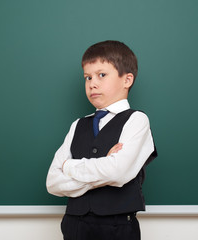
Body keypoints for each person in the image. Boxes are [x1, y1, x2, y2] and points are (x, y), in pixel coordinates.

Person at [46, 40, 157, 240]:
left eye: (101, 75)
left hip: (117, 227)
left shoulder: (137, 120)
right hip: (74, 225)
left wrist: (69, 166)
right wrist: (103, 171)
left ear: (127, 80)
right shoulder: (78, 125)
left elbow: (118, 172)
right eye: (87, 77)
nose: (92, 83)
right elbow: (52, 182)